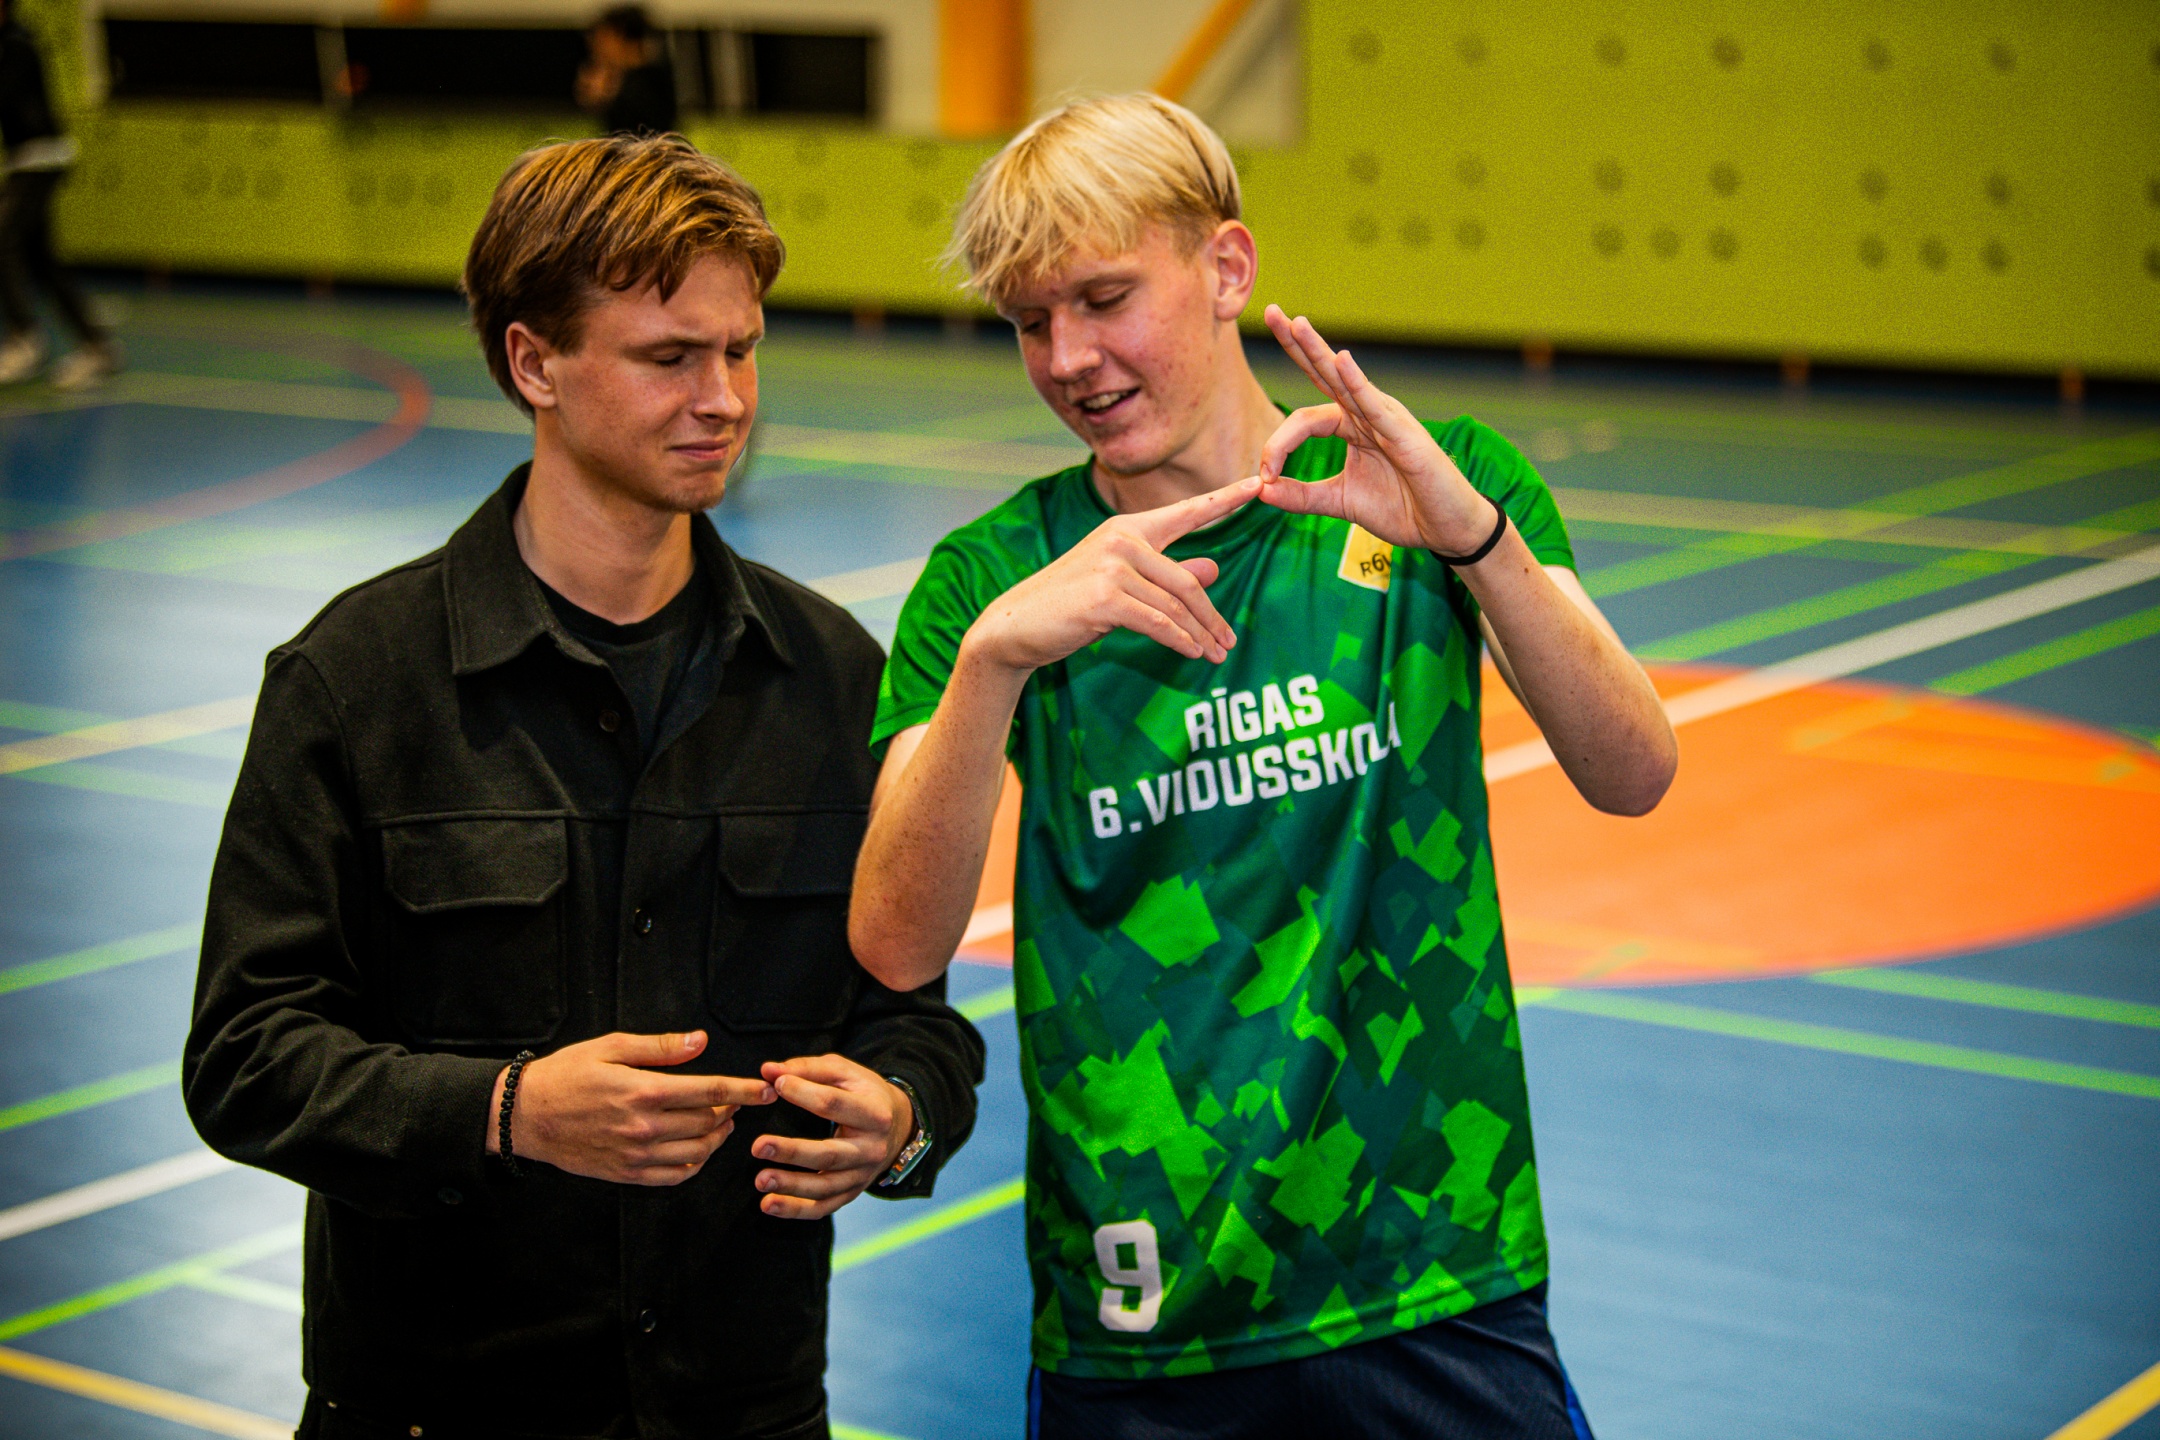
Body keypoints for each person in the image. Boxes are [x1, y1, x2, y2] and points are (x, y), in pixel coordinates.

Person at [850, 95, 1677, 1439]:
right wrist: (992, 666)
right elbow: (894, 944)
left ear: (1226, 268)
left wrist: (1475, 543)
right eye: (1030, 321)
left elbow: (1633, 770)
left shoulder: (1445, 484)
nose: (1068, 358)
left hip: (1427, 1260)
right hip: (1144, 1301)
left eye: (1104, 299)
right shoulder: (990, 579)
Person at [185, 134, 983, 1440]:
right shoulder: (357, 682)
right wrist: (507, 1114)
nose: (724, 398)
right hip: (435, 1416)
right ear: (533, 363)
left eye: (741, 351)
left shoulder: (833, 676)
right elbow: (246, 1060)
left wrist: (899, 1122)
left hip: (745, 1414)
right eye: (670, 358)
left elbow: (917, 1023)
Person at [0, 0, 118, 389]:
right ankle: (97, 346)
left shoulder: (16, 45)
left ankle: (24, 339)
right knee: (43, 261)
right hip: (25, 159)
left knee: (4, 239)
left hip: (41, 157)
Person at [577, 4, 677, 137]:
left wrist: (607, 97)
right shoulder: (653, 75)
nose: (596, 45)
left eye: (603, 37)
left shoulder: (644, 86)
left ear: (620, 36)